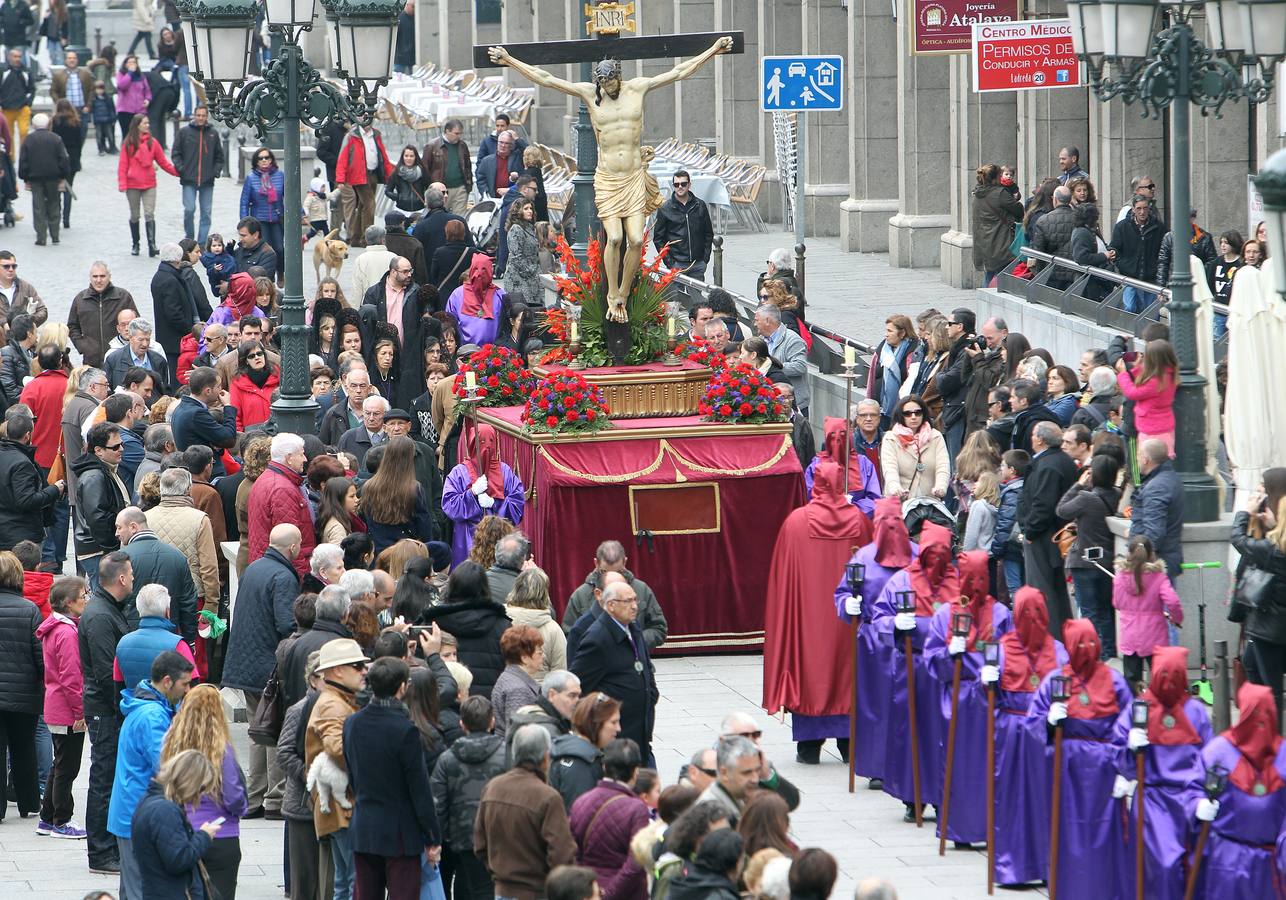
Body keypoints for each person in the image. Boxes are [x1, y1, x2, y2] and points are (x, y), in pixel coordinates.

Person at [764, 462, 872, 765]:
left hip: (807, 618)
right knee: (847, 667)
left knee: (809, 667)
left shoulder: (796, 523)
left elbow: (782, 579)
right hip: (847, 617)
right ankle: (849, 742)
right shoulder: (860, 521)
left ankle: (809, 745)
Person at [1029, 620, 1133, 898]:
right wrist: (1049, 722)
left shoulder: (1114, 680)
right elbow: (1033, 723)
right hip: (1067, 769)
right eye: (1080, 643)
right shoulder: (1056, 680)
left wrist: (1126, 767)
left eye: (1091, 642)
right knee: (1067, 829)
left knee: (1106, 829)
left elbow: (1130, 723)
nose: (1086, 649)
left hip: (1104, 769)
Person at [925, 552, 1013, 846]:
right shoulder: (946, 614)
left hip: (991, 699)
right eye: (970, 578)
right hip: (958, 701)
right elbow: (931, 658)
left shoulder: (1000, 613)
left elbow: (1013, 651)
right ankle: (960, 829)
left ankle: (992, 826)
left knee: (993, 765)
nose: (976, 586)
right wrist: (950, 654)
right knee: (958, 766)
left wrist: (997, 669)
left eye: (982, 578)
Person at [342, 657, 442, 900]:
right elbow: (419, 789)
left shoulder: (352, 723)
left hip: (364, 825)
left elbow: (352, 774)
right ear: (402, 687)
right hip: (401, 833)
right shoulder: (405, 730)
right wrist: (432, 836)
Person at [988, 587, 1067, 887]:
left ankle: (1050, 865)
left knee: (1047, 798)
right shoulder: (1002, 648)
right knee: (1011, 798)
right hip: (1011, 731)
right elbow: (990, 697)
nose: (1032, 619)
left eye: (1037, 612)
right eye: (1025, 613)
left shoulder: (1058, 650)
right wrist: (990, 683)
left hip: (1045, 735)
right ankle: (1013, 866)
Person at [108, 650, 196, 900]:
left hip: (132, 811)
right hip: (137, 814)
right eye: (185, 683)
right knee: (140, 891)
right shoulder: (152, 717)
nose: (188, 690)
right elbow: (167, 767)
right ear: (167, 682)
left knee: (132, 889)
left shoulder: (151, 708)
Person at [1193, 683, 1286, 899]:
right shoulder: (1218, 752)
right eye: (1254, 713)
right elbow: (1193, 788)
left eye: (1266, 712)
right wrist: (1196, 805)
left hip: (1270, 868)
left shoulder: (1283, 757)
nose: (1260, 721)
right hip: (1226, 863)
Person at [157, 683, 248, 900]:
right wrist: (241, 809)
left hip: (181, 833)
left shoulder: (170, 745)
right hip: (220, 834)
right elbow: (234, 797)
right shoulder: (220, 751)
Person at [474, 723, 577, 899]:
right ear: (546, 757)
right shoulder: (548, 797)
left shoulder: (492, 788)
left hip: (501, 890)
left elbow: (480, 845)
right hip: (536, 892)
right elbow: (561, 854)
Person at [78, 550, 132, 873]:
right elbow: (105, 672)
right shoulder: (100, 615)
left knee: (108, 777)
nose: (134, 580)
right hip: (104, 712)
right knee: (103, 779)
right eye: (132, 575)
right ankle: (100, 852)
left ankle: (108, 846)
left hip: (107, 710)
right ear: (122, 579)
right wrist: (121, 708)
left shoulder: (108, 609)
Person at [306, 637, 368, 900]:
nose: (364, 670)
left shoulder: (338, 699)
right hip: (343, 806)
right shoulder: (333, 704)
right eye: (357, 665)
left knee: (345, 880)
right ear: (337, 671)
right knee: (353, 880)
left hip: (338, 805)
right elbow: (339, 750)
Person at [572, 580, 658, 766]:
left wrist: (651, 693)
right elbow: (579, 685)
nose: (635, 606)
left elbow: (645, 666)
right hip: (616, 738)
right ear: (610, 605)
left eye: (635, 600)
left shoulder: (633, 628)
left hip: (641, 734)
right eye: (628, 601)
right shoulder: (597, 639)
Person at [430, 694, 506, 900]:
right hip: (501, 834)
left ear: (462, 724)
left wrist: (441, 836)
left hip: (463, 837)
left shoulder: (447, 759)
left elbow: (438, 802)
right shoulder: (508, 754)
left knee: (467, 885)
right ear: (492, 721)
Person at [128, 748, 223, 900]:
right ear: (189, 783)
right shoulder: (164, 811)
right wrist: (204, 836)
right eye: (201, 789)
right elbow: (178, 860)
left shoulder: (151, 801)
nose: (199, 796)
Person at [35, 575, 88, 838]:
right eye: (83, 596)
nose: (86, 600)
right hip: (67, 710)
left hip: (57, 705)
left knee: (60, 764)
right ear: (69, 603)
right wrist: (80, 712)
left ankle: (47, 818)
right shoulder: (66, 633)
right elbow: (71, 676)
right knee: (68, 767)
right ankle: (61, 820)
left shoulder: (56, 627)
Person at [1056, 454, 1121, 658]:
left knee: (1089, 612)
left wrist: (1077, 485)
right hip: (1108, 563)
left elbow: (1062, 510)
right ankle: (1109, 653)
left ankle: (1091, 653)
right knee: (1105, 612)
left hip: (1084, 562)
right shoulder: (1119, 495)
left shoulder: (1086, 498)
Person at [568, 737, 649, 899]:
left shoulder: (581, 801)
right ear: (635, 771)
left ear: (604, 766)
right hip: (625, 894)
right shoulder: (637, 809)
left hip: (588, 890)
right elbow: (636, 863)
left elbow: (571, 851)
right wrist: (609, 894)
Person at [419, 560, 512, 699]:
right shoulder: (502, 625)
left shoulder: (433, 623)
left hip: (445, 701)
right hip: (487, 704)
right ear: (485, 587)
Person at [1018, 421, 1077, 633]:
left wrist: (1030, 531)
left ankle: (1050, 637)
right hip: (1056, 534)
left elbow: (1043, 504)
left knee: (1043, 590)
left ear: (1040, 440)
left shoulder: (1048, 465)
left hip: (1044, 536)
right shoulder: (1062, 461)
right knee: (1056, 590)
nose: (1031, 438)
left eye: (1033, 435)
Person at [560, 541, 667, 652]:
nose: (611, 578)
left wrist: (634, 640)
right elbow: (569, 636)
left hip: (634, 662)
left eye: (618, 572)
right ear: (596, 563)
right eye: (604, 572)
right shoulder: (581, 595)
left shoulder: (641, 590)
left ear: (625, 562)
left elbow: (659, 628)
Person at [442, 423, 525, 565]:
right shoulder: (459, 472)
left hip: (500, 538)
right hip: (468, 538)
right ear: (473, 443)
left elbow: (517, 505)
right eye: (481, 442)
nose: (487, 446)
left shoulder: (505, 471)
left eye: (491, 441)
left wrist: (495, 503)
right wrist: (472, 494)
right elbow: (449, 505)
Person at [0, 549, 42, 822]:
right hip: (23, 693)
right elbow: (40, 656)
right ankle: (28, 802)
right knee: (23, 747)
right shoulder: (29, 609)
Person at [1112, 534, 1183, 687]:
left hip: (1130, 634)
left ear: (1129, 554)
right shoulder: (1158, 577)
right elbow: (1172, 600)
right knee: (1160, 678)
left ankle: (1135, 707)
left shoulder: (1120, 577)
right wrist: (1176, 618)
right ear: (1151, 554)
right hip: (1155, 634)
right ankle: (1159, 706)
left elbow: (1117, 603)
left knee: (1131, 680)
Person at [247, 433, 315, 579]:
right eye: (301, 454)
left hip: (267, 567)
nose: (305, 459)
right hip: (282, 573)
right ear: (289, 458)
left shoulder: (266, 479)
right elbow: (289, 542)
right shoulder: (282, 489)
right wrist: (302, 578)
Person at [72, 423, 131, 584]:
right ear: (98, 451)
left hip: (101, 549)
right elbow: (97, 517)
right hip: (98, 551)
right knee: (105, 599)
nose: (121, 449)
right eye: (115, 447)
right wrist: (112, 548)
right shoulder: (94, 476)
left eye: (122, 444)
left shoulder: (106, 470)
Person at [0, 409, 63, 548]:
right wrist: (54, 490)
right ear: (28, 435)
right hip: (21, 537)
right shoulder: (22, 463)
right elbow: (26, 501)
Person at [361, 434, 433, 553]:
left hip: (378, 550)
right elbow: (424, 526)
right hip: (406, 552)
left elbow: (366, 520)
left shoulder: (369, 486)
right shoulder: (414, 488)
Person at [118, 114, 177, 258]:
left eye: (148, 123)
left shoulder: (153, 142)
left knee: (149, 214)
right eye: (145, 123)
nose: (147, 125)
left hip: (149, 183)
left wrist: (178, 172)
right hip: (132, 184)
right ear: (137, 124)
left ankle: (152, 244)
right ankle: (136, 244)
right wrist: (122, 183)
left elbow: (163, 162)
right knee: (135, 215)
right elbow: (123, 165)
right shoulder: (129, 142)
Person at [1130, 438, 1185, 582]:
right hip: (1164, 560)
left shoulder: (1156, 487)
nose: (1136, 460)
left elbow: (1154, 533)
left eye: (1138, 456)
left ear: (1146, 459)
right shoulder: (1170, 478)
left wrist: (1140, 561)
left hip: (1153, 566)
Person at [503, 567, 568, 683]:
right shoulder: (554, 630)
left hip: (506, 691)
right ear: (545, 594)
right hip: (541, 696)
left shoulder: (500, 621)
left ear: (516, 588)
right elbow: (560, 675)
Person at [68, 262, 139, 368]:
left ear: (109, 277)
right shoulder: (80, 299)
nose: (98, 280)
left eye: (102, 276)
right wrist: (83, 346)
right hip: (91, 361)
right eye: (95, 276)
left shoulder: (123, 297)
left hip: (120, 358)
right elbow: (72, 326)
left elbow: (137, 324)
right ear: (90, 278)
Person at [880, 395, 949, 501]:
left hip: (929, 503)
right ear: (900, 416)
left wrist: (941, 487)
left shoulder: (936, 436)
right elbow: (889, 469)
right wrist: (895, 488)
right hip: (899, 504)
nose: (913, 417)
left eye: (918, 413)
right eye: (907, 413)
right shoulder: (891, 438)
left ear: (924, 414)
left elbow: (943, 466)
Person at [1117, 339, 1178, 459]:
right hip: (1163, 427)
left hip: (1152, 430)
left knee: (1149, 463)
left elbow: (1132, 392)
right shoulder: (1169, 375)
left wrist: (1122, 373)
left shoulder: (1156, 382)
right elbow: (1146, 377)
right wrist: (1137, 367)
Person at [170, 368, 236, 477]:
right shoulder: (196, 413)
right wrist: (228, 406)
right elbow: (229, 439)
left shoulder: (182, 407)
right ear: (208, 391)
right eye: (218, 386)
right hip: (205, 475)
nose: (221, 389)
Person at [171, 104, 223, 243]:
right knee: (189, 209)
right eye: (198, 115)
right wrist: (182, 169)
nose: (200, 118)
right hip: (189, 179)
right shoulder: (184, 132)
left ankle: (201, 243)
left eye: (203, 115)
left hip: (207, 180)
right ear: (194, 116)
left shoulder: (213, 133)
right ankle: (190, 238)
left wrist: (215, 172)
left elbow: (219, 156)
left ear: (207, 117)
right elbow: (176, 153)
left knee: (206, 213)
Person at [336, 124, 393, 247]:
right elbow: (343, 157)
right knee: (370, 204)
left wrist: (389, 174)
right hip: (358, 174)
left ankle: (355, 238)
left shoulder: (376, 134)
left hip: (373, 174)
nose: (366, 120)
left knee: (363, 205)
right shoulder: (351, 135)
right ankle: (367, 239)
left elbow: (383, 155)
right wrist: (340, 179)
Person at [18, 112, 70, 245]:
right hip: (53, 177)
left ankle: (41, 237)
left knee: (38, 206)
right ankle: (55, 234)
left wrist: (24, 176)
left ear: (34, 125)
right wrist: (63, 175)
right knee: (54, 204)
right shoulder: (56, 138)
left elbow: (23, 160)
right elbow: (63, 158)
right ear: (48, 124)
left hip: (35, 178)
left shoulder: (29, 139)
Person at [653, 169, 714, 280]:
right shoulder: (665, 209)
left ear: (689, 185)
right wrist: (669, 262)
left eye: (683, 184)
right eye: (676, 184)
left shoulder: (699, 205)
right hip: (676, 264)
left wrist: (705, 258)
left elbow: (708, 233)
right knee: (677, 296)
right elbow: (658, 239)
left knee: (696, 296)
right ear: (673, 186)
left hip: (697, 263)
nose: (680, 187)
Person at [1110, 193, 1165, 312]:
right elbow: (1114, 248)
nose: (1142, 212)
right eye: (1139, 208)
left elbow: (1163, 252)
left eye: (1145, 208)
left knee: (1150, 312)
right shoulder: (1122, 227)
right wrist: (1122, 264)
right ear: (1133, 209)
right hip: (1129, 276)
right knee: (1129, 307)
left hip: (1150, 278)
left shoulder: (1158, 228)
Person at [971, 164, 1023, 285]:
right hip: (1001, 241)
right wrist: (1014, 199)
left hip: (983, 242)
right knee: (1002, 276)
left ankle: (984, 301)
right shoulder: (1000, 193)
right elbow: (1018, 210)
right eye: (1000, 175)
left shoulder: (978, 193)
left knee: (989, 275)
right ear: (995, 178)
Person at [753, 304, 808, 416]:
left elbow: (800, 366)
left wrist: (773, 367)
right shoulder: (760, 340)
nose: (755, 324)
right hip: (771, 402)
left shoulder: (793, 340)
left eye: (757, 320)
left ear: (767, 320)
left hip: (793, 403)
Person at [490, 625, 545, 739]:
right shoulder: (518, 689)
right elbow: (518, 733)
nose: (543, 656)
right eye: (539, 652)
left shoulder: (509, 678)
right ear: (524, 658)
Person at [240, 146, 286, 278]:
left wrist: (300, 213)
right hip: (259, 220)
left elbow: (289, 196)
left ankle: (281, 272)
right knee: (266, 250)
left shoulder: (279, 175)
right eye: (261, 158)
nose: (264, 160)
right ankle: (268, 279)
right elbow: (244, 201)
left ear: (271, 160)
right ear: (256, 161)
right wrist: (244, 223)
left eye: (267, 157)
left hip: (277, 218)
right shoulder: (251, 178)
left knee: (279, 248)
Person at [423, 119, 472, 213]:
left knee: (459, 218)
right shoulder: (432, 146)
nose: (459, 136)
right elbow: (425, 169)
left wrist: (468, 185)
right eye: (456, 133)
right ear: (447, 131)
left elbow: (467, 166)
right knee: (440, 215)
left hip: (460, 187)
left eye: (460, 133)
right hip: (440, 189)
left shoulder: (462, 145)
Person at [228, 340, 279, 431]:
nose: (257, 358)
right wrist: (240, 439)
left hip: (278, 434)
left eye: (259, 354)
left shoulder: (278, 376)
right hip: (252, 437)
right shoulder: (237, 383)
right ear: (246, 361)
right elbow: (235, 417)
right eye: (251, 356)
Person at [504, 197, 543, 308]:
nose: (530, 211)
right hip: (518, 280)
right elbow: (516, 257)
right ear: (518, 211)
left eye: (531, 208)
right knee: (523, 312)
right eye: (526, 208)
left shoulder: (530, 228)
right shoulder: (516, 229)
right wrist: (532, 272)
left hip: (531, 279)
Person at [428, 218, 476, 300]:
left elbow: (433, 276)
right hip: (466, 294)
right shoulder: (472, 252)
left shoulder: (439, 252)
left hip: (445, 295)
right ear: (464, 233)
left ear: (447, 233)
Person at [0, 47, 34, 154]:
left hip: (22, 107)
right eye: (15, 56)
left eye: (19, 56)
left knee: (24, 131)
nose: (17, 59)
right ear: (9, 57)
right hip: (6, 108)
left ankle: (24, 155)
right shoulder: (3, 71)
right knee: (8, 134)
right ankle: (11, 157)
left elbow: (31, 88)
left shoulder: (26, 72)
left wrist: (29, 103)